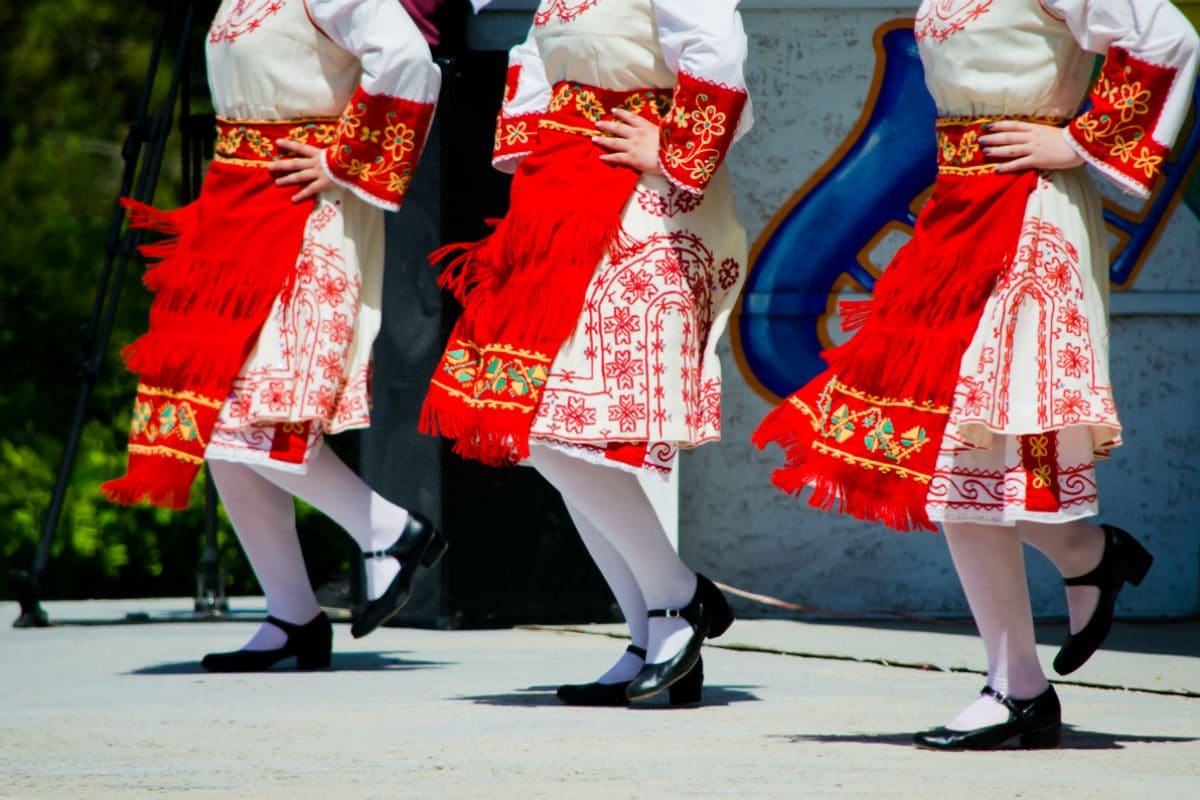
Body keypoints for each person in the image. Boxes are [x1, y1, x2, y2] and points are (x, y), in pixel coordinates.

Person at [754, 0, 1198, 749]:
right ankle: (1039, 648)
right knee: (949, 458)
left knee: (971, 450)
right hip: (957, 213)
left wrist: (1081, 143)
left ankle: (1027, 665)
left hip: (1026, 215)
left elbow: (1168, 34)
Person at [419, 0, 752, 705]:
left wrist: (672, 148)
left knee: (563, 425)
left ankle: (673, 607)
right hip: (563, 192)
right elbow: (537, 58)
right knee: (535, 420)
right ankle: (657, 627)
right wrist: (538, 159)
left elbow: (714, 48)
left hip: (644, 202)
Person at [102, 0, 444, 671]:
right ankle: (293, 615)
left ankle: (391, 530)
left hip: (303, 208)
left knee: (252, 414)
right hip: (232, 207)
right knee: (214, 421)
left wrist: (347, 160)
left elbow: (407, 58)